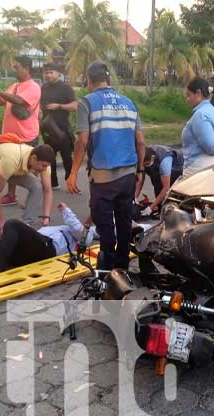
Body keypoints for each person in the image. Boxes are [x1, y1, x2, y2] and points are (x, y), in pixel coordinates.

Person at [67, 61, 146, 270]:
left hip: (103, 178)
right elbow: (140, 141)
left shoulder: (87, 102)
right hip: (128, 174)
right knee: (124, 221)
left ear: (88, 80)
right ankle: (123, 269)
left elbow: (82, 141)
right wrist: (140, 170)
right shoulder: (129, 103)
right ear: (108, 79)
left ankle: (106, 273)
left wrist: (73, 172)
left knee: (105, 227)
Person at [0, 56, 41, 206]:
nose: (14, 70)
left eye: (17, 67)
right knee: (10, 166)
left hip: (26, 134)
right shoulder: (14, 85)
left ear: (26, 68)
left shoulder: (33, 87)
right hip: (10, 135)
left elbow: (19, 100)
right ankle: (11, 195)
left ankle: (34, 196)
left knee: (31, 167)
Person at [0, 203, 97, 273]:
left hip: (48, 248)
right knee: (2, 242)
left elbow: (80, 232)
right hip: (33, 251)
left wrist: (66, 211)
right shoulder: (69, 229)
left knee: (12, 223)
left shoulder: (86, 234)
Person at [181, 77, 214, 178]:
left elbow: (209, 145)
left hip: (198, 168)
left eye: (188, 95)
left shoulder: (200, 115)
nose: (187, 100)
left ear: (198, 93)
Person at [40, 63, 78, 191]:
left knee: (67, 158)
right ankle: (53, 183)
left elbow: (74, 106)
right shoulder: (43, 88)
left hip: (62, 129)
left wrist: (59, 106)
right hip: (47, 129)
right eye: (46, 72)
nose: (48, 75)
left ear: (58, 73)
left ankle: (71, 182)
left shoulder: (65, 88)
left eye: (51, 72)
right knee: (50, 158)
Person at [134, 145, 184, 214]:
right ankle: (159, 207)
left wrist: (151, 208)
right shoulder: (143, 155)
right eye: (143, 165)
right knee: (155, 181)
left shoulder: (164, 162)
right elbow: (140, 179)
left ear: (152, 158)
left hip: (176, 169)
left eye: (147, 164)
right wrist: (135, 198)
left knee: (168, 195)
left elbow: (166, 187)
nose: (145, 166)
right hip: (158, 166)